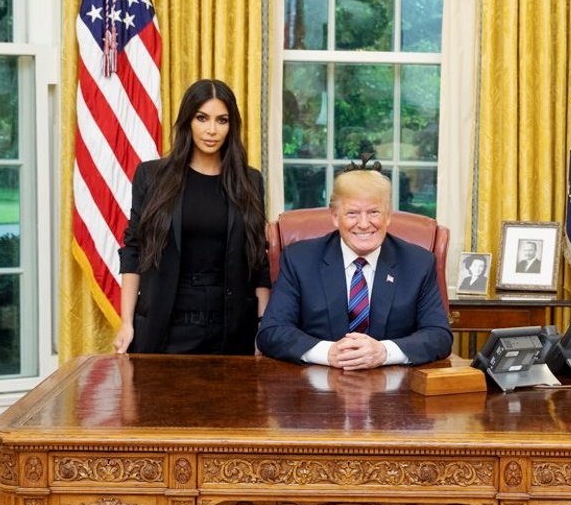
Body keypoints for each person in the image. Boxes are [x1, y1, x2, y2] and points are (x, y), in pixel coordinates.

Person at [113, 79, 270, 355]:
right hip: (165, 325)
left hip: (232, 328)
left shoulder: (250, 181)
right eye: (202, 118)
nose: (212, 130)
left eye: (222, 120)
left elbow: (258, 260)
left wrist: (262, 326)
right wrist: (126, 322)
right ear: (188, 120)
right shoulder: (151, 176)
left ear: (231, 126)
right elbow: (133, 250)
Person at [256, 169, 452, 369]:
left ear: (388, 216)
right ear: (335, 216)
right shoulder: (299, 260)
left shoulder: (419, 264)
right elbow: (272, 331)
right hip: (316, 381)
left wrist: (384, 352)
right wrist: (328, 353)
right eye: (352, 213)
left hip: (394, 382)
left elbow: (439, 335)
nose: (364, 224)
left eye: (374, 212)